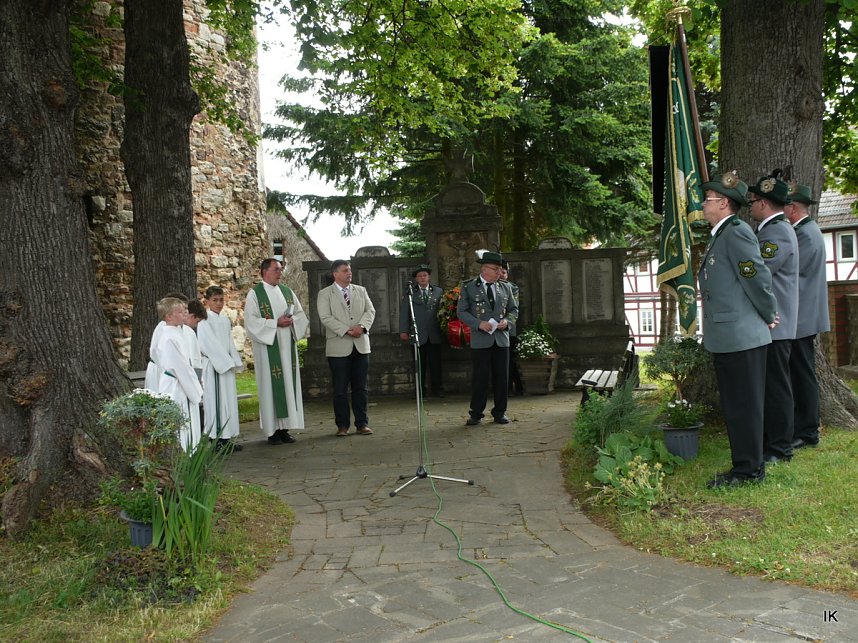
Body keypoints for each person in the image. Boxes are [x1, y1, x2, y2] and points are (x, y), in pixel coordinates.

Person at [698, 171, 778, 488]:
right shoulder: (722, 234)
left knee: (744, 408)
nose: (703, 204)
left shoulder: (736, 233)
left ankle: (749, 472)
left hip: (742, 338)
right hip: (729, 338)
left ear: (725, 204)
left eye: (708, 199)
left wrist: (769, 313)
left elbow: (755, 276)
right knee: (738, 407)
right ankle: (745, 466)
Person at [748, 172, 799, 464]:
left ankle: (780, 448)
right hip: (772, 323)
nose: (751, 206)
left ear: (764, 203)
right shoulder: (772, 229)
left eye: (753, 201)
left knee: (777, 387)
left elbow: (763, 271)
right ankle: (774, 443)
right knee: (772, 386)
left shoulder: (776, 232)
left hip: (775, 324)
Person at [244, 258, 309, 445]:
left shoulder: (287, 292)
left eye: (281, 269)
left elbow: (300, 315)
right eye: (276, 269)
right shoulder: (255, 295)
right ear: (265, 271)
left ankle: (285, 429)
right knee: (270, 388)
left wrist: (291, 321)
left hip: (287, 348)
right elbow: (251, 322)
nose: (280, 273)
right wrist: (275, 323)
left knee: (288, 385)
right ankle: (272, 431)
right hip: (268, 350)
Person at [785, 181, 830, 449]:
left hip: (802, 317)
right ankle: (803, 428)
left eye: (785, 206)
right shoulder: (806, 230)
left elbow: (791, 272)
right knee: (799, 372)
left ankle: (808, 430)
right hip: (802, 315)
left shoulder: (804, 234)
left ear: (792, 208)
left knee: (802, 374)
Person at [457, 250, 519, 426]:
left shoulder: (506, 287)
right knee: (480, 378)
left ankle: (500, 412)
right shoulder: (469, 286)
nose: (500, 272)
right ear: (485, 269)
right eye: (496, 269)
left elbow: (514, 310)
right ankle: (476, 413)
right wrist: (478, 323)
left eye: (500, 270)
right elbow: (461, 311)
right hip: (481, 340)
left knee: (502, 377)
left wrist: (507, 322)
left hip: (501, 339)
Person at [317, 259, 376, 436]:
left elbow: (370, 311)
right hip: (338, 346)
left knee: (361, 387)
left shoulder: (361, 290)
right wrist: (347, 330)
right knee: (340, 389)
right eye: (345, 271)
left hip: (360, 345)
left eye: (349, 270)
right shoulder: (325, 294)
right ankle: (342, 425)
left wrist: (362, 327)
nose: (349, 273)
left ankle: (362, 423)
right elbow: (325, 317)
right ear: (335, 274)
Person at [152, 296, 203, 452]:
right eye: (180, 312)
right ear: (168, 316)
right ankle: (184, 452)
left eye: (185, 311)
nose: (185, 314)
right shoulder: (169, 337)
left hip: (179, 381)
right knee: (183, 424)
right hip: (177, 384)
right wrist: (196, 391)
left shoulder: (176, 333)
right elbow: (181, 368)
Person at [198, 285, 245, 452]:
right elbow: (208, 345)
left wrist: (234, 360)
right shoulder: (204, 321)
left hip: (226, 365)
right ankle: (216, 438)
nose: (218, 303)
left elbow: (229, 343)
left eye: (221, 300)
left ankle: (227, 438)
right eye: (215, 300)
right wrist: (225, 362)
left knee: (228, 402)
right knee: (216, 402)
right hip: (215, 366)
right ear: (207, 301)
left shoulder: (224, 320)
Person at [398, 264, 445, 397]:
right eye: (420, 276)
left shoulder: (438, 291)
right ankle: (420, 390)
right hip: (418, 334)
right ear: (416, 279)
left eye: (425, 275)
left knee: (436, 364)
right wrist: (403, 330)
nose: (423, 278)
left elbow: (444, 310)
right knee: (419, 364)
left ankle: (438, 389)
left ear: (429, 277)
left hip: (434, 333)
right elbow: (404, 313)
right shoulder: (410, 293)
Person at [499, 260, 524, 395]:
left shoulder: (512, 288)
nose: (502, 275)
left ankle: (512, 387)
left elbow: (513, 308)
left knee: (510, 360)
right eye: (500, 272)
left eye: (504, 272)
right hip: (493, 330)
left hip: (509, 329)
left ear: (507, 274)